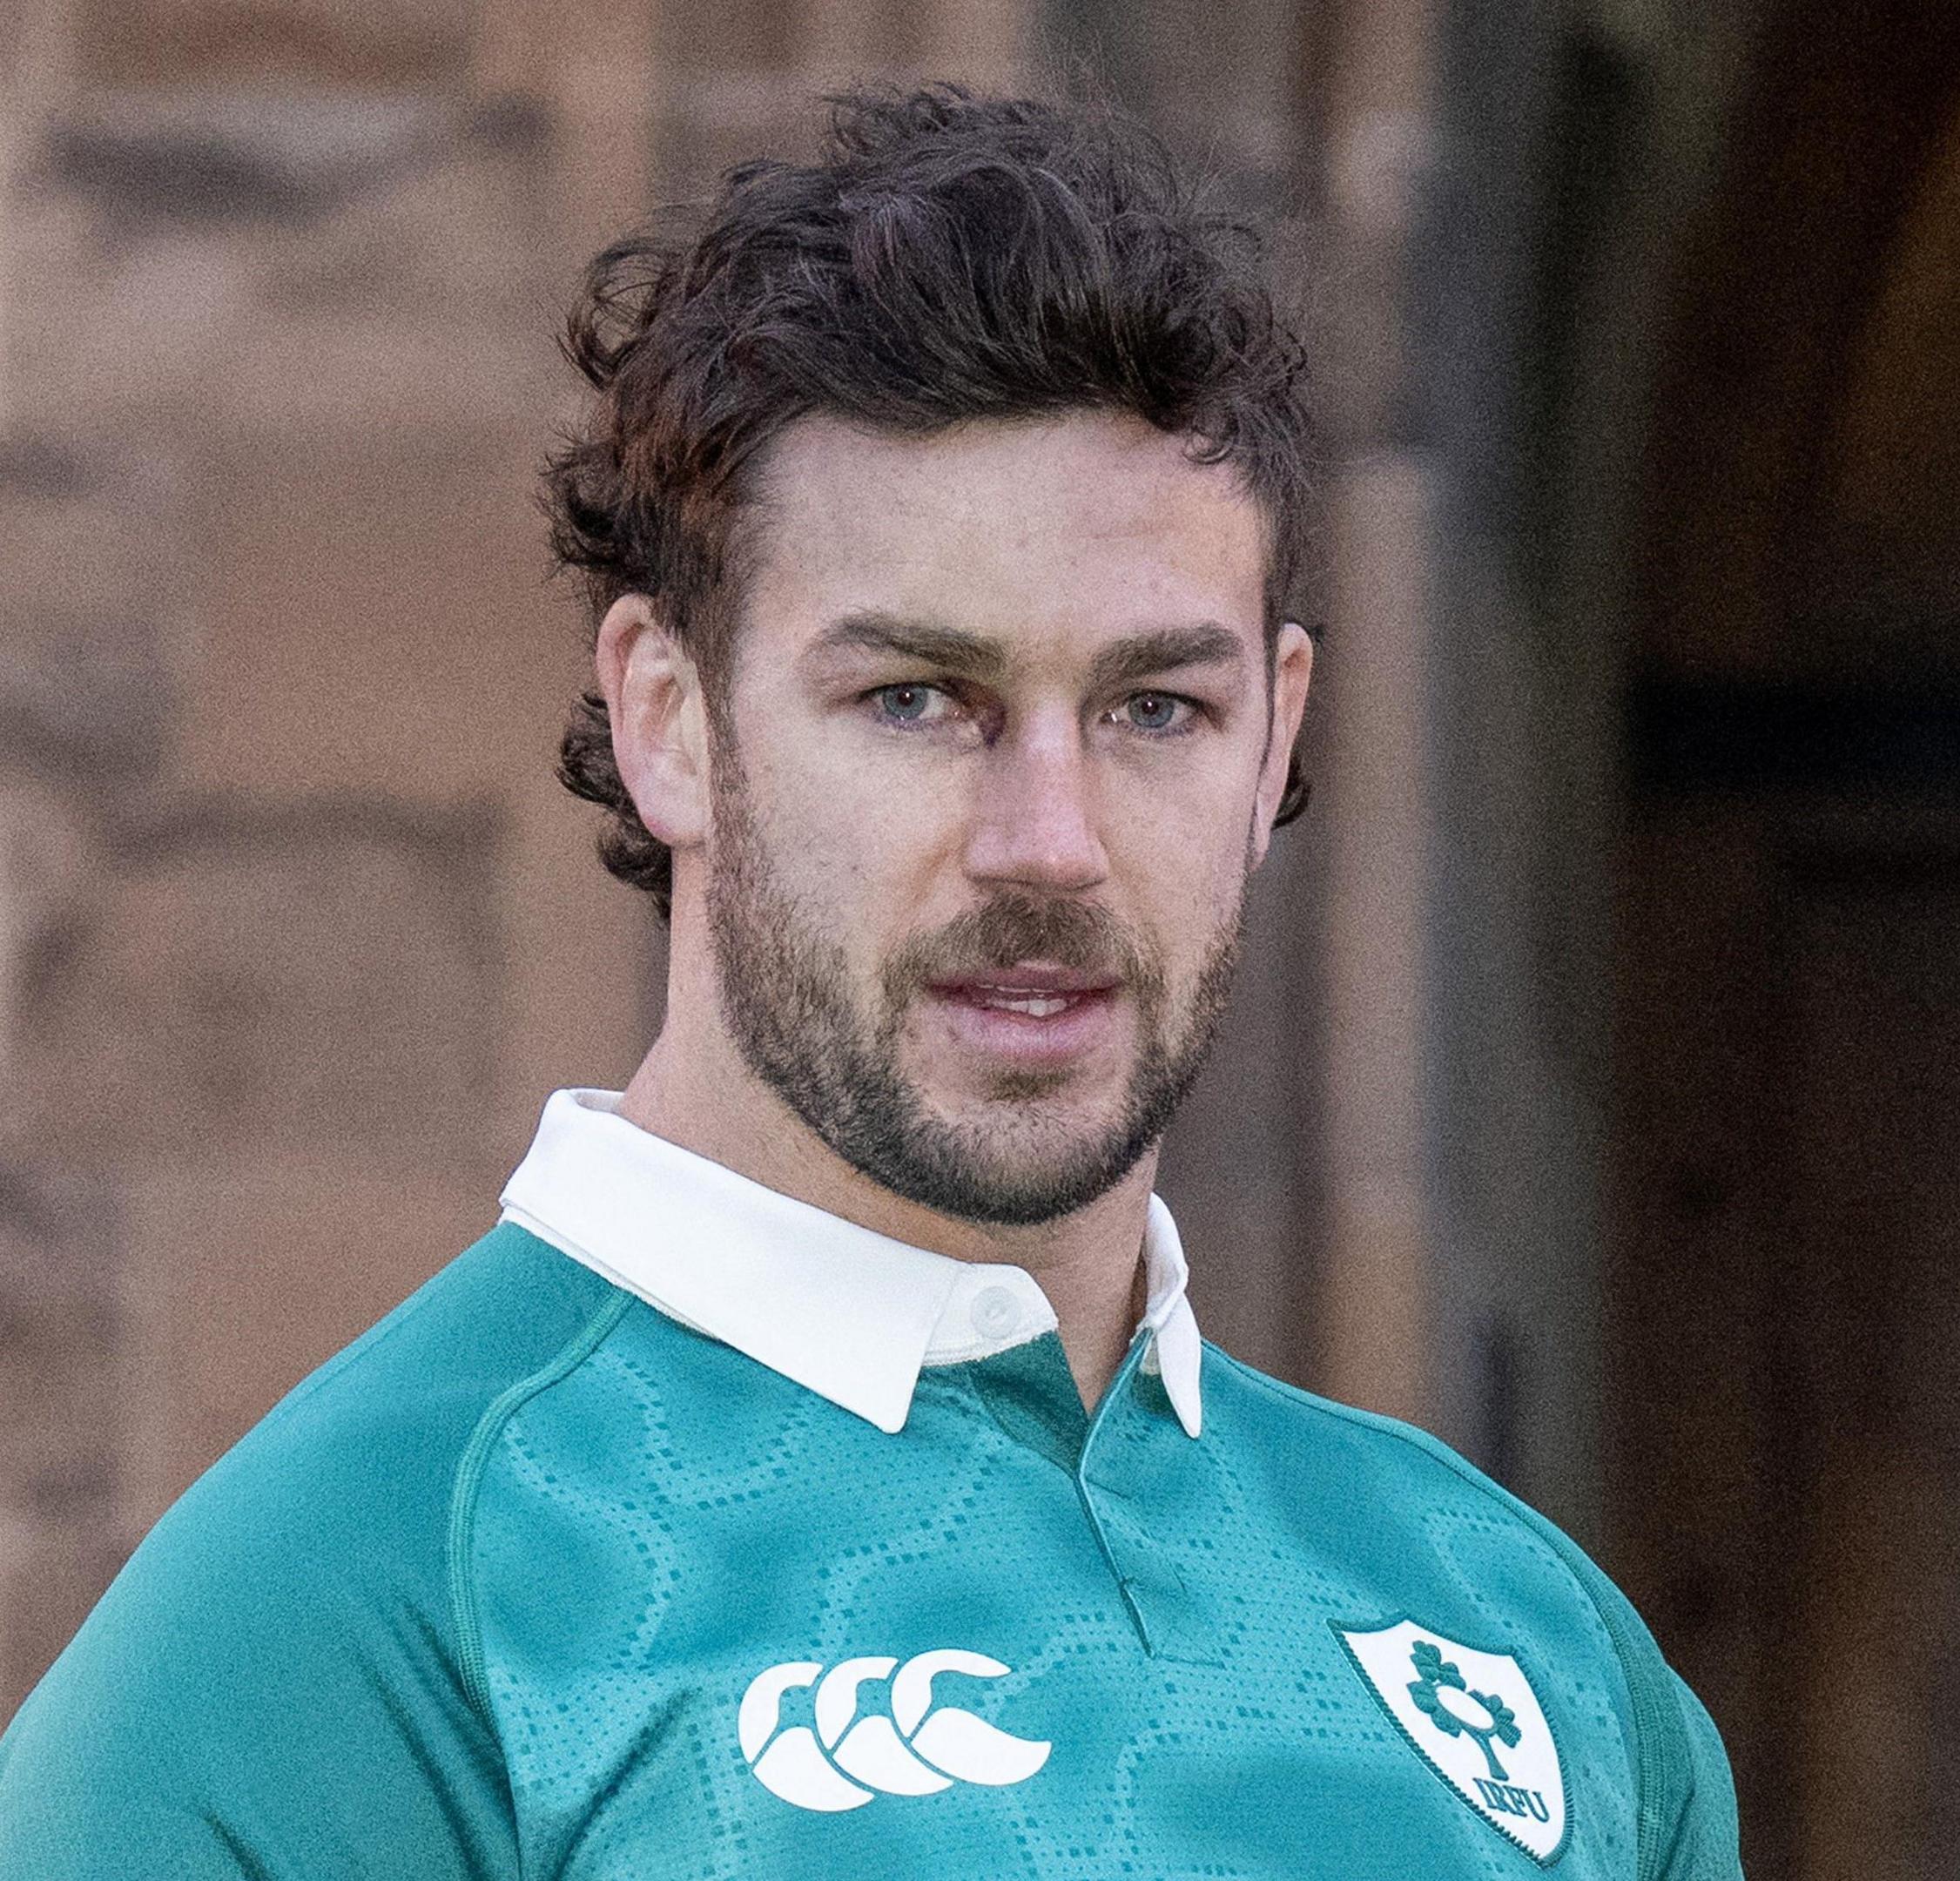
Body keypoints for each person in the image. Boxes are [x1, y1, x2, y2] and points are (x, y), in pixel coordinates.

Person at [0, 87, 1738, 1879]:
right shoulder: (333, 1633)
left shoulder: (1536, 1647)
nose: (1050, 843)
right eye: (916, 699)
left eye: (1157, 708)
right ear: (668, 718)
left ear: (1279, 731)